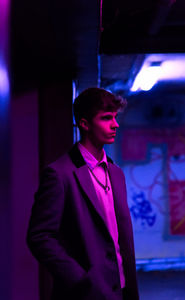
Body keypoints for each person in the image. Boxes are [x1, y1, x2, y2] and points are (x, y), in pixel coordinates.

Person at [27, 87, 139, 300]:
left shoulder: (116, 173)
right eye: (106, 118)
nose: (115, 124)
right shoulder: (59, 174)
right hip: (85, 293)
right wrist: (79, 278)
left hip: (122, 290)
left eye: (115, 117)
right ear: (84, 124)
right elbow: (39, 236)